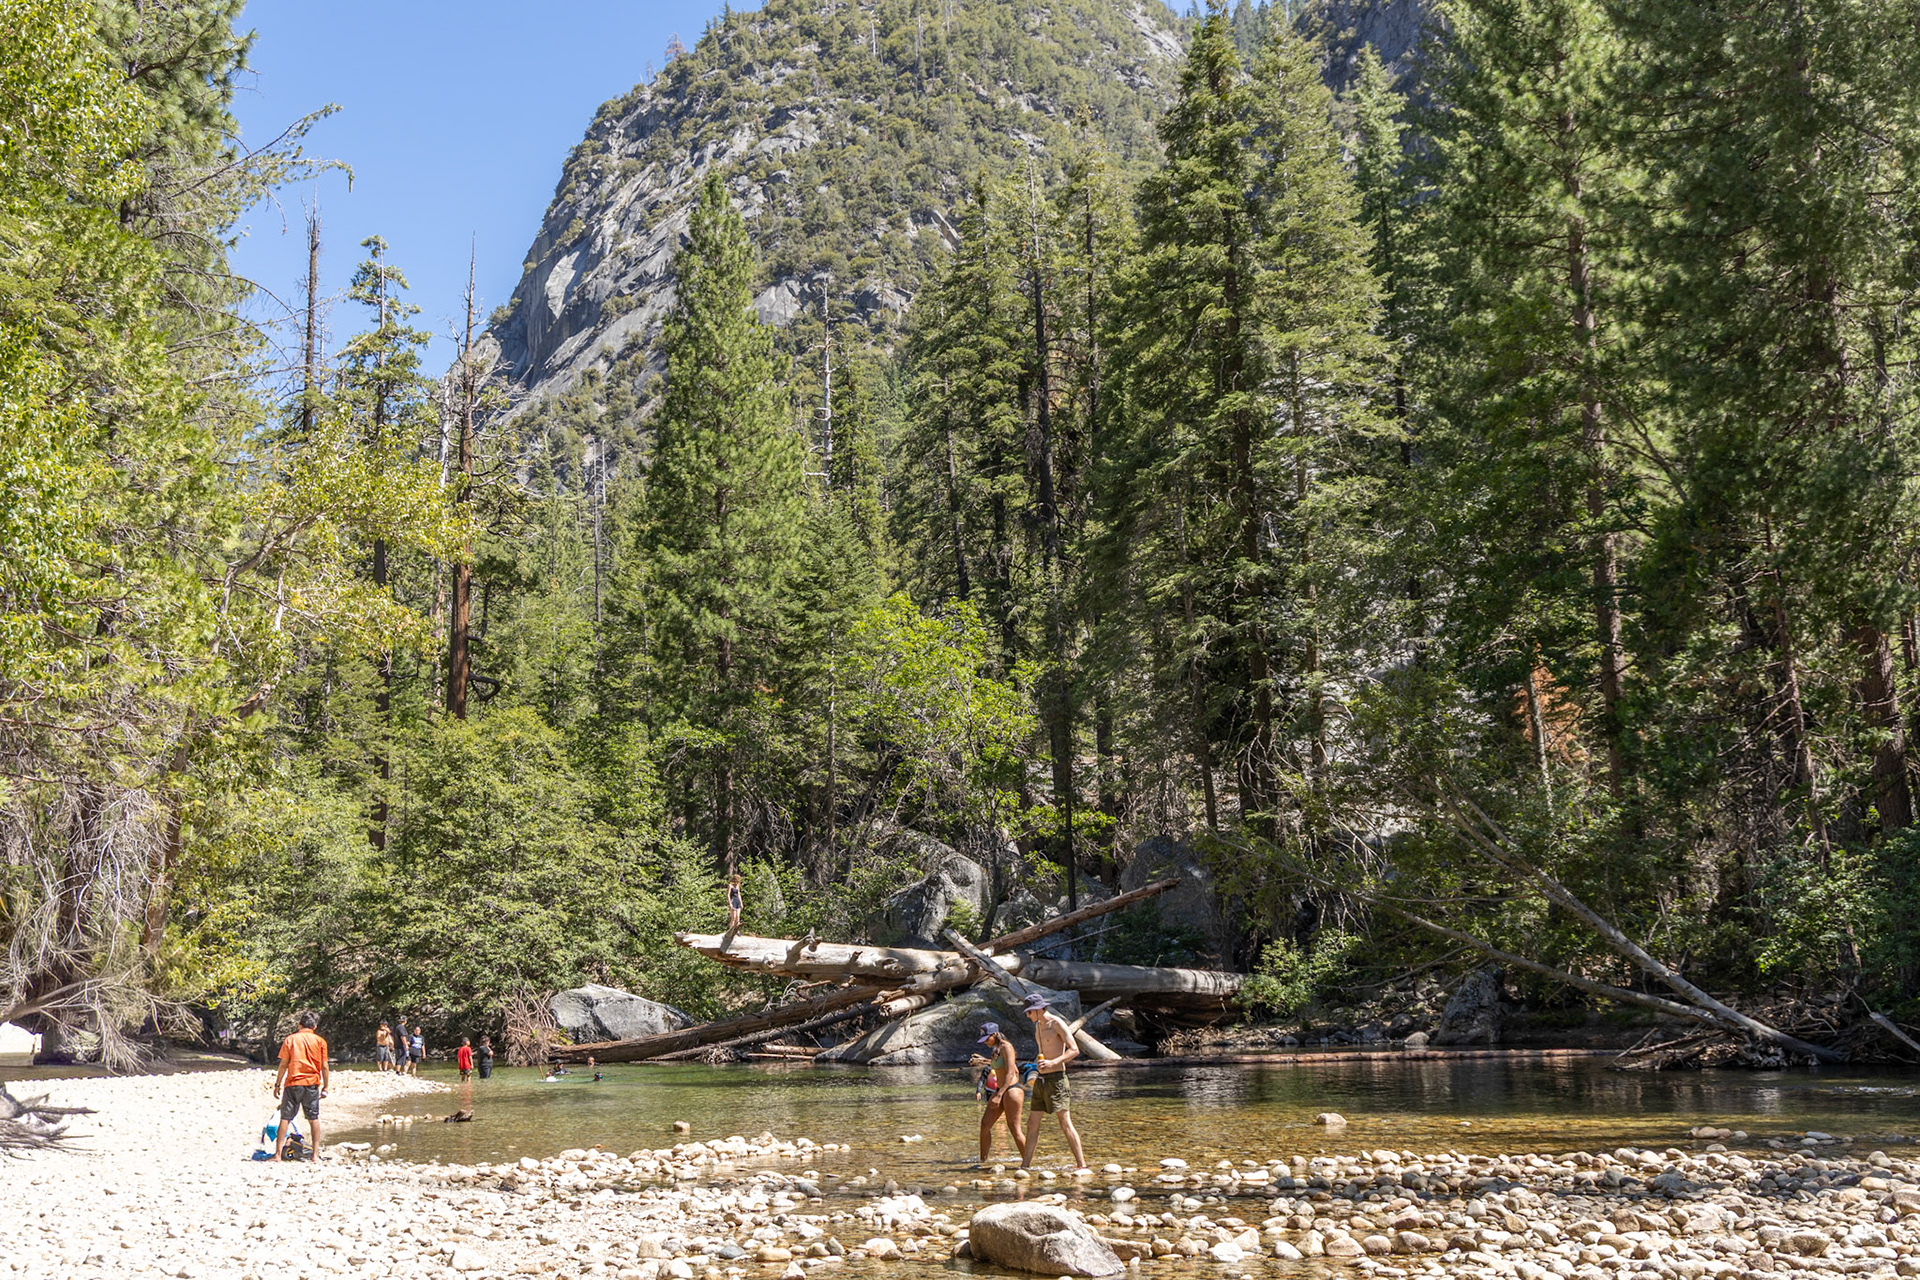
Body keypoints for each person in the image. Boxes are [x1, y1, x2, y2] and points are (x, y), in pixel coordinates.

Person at [1019, 993, 1087, 1171]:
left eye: (1029, 1012)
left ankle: (1081, 1165)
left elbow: (1074, 1050)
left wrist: (1053, 1062)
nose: (1027, 1016)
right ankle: (1025, 1166)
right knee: (1032, 1123)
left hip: (1057, 1079)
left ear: (1039, 1009)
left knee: (1064, 1123)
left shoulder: (1056, 1023)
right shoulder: (1038, 1026)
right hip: (1041, 1080)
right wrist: (1034, 1072)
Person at [270, 1010, 329, 1162]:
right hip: (311, 1083)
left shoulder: (290, 1039)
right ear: (314, 1026)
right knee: (313, 1118)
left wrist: (277, 1084)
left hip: (293, 1083)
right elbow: (324, 1066)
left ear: (299, 1024)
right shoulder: (320, 1041)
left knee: (286, 1118)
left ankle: (277, 1155)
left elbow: (283, 1064)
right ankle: (315, 1155)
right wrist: (326, 1087)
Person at [968, 1022, 1027, 1165]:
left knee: (1014, 1128)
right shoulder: (996, 1049)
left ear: (994, 1034)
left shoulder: (1007, 1047)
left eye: (987, 1039)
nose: (985, 1043)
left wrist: (1000, 1094)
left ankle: (1028, 1162)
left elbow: (1011, 1072)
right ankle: (983, 1161)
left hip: (1011, 1090)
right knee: (985, 1124)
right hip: (1000, 1090)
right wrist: (998, 1092)